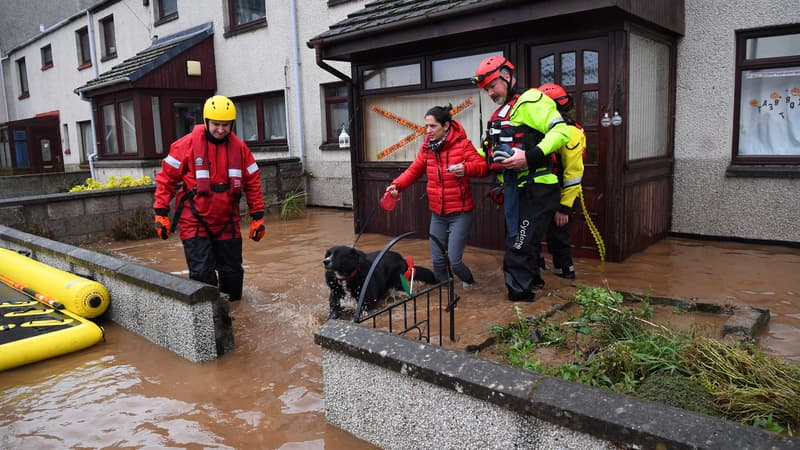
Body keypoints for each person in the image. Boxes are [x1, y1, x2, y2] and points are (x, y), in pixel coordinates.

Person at [473, 56, 571, 301]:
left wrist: (528, 157)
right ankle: (534, 284)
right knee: (522, 241)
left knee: (519, 244)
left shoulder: (532, 101)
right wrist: (462, 159)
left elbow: (561, 132)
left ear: (507, 75)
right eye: (486, 89)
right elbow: (486, 154)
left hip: (537, 187)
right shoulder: (501, 113)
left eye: (492, 86)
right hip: (515, 189)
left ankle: (519, 305)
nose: (490, 93)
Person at [153, 95, 266, 301]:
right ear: (206, 122)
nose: (221, 130)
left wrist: (258, 217)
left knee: (232, 274)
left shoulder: (240, 149)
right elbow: (166, 179)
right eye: (216, 124)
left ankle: (234, 316)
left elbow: (253, 182)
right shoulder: (185, 145)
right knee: (202, 274)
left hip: (227, 220)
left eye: (225, 125)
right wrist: (161, 213)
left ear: (232, 124)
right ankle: (210, 319)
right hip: (194, 219)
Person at [385, 104, 488, 288]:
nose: (428, 131)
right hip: (438, 214)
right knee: (438, 262)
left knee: (455, 262)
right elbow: (414, 170)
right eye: (426, 126)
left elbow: (483, 168)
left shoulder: (463, 145)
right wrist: (396, 186)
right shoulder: (427, 148)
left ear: (446, 126)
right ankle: (446, 296)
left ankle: (471, 285)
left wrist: (466, 168)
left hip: (461, 213)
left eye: (433, 126)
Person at [537, 83, 586, 280]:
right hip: (541, 190)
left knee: (558, 236)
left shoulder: (571, 133)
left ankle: (566, 276)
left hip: (560, 193)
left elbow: (573, 173)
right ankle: (540, 270)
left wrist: (564, 208)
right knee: (534, 233)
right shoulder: (540, 128)